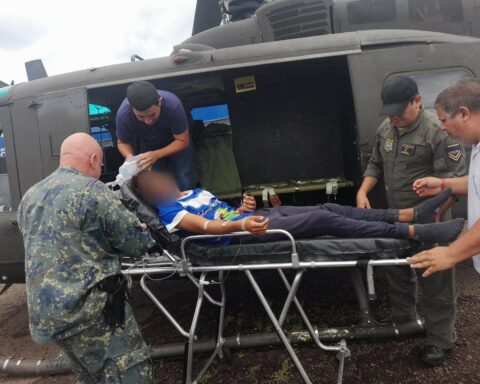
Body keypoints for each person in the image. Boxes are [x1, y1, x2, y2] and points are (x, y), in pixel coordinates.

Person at [17, 133, 155, 384]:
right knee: (128, 373)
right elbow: (137, 244)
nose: (100, 169)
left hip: (49, 316)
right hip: (91, 312)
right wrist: (142, 227)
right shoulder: (92, 191)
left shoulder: (30, 196)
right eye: (101, 164)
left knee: (90, 376)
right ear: (93, 159)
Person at [356, 75, 467, 366]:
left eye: (398, 111)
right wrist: (363, 190)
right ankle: (405, 322)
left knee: (435, 281)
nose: (393, 117)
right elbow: (375, 163)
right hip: (397, 218)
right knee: (397, 272)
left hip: (431, 221)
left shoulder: (436, 133)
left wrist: (435, 215)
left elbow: (454, 182)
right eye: (389, 112)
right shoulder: (387, 128)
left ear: (416, 101)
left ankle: (440, 341)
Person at [132, 170, 465, 245]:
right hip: (243, 236)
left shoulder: (194, 191)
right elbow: (205, 228)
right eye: (153, 187)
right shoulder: (169, 213)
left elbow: (223, 211)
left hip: (253, 219)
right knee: (322, 218)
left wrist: (241, 207)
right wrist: (240, 225)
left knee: (326, 207)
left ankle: (409, 214)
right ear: (153, 196)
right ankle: (414, 232)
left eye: (159, 178)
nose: (161, 183)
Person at [409, 80, 480, 277]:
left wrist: (450, 254)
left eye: (443, 120)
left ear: (464, 113)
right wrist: (443, 184)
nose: (442, 128)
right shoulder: (477, 145)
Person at [116, 80, 194, 190]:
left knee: (183, 177)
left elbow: (183, 141)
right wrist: (129, 156)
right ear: (130, 105)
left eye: (152, 114)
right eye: (141, 117)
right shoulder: (123, 115)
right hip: (149, 146)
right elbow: (122, 142)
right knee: (154, 184)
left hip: (177, 143)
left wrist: (157, 154)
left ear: (160, 101)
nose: (148, 121)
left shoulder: (173, 105)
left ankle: (188, 204)